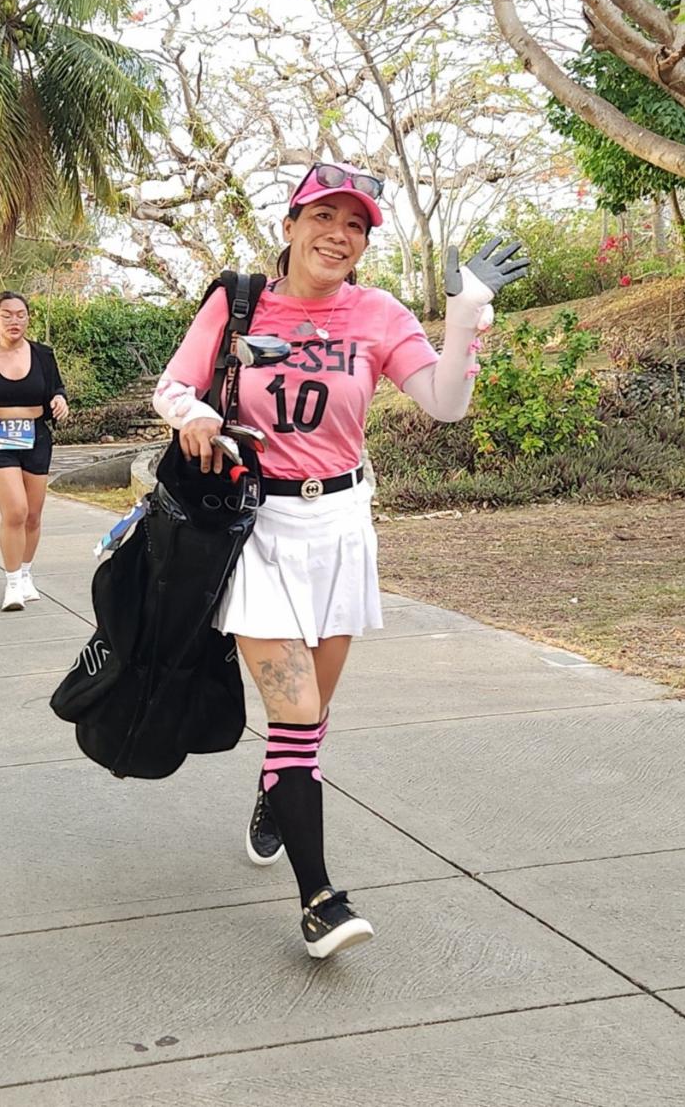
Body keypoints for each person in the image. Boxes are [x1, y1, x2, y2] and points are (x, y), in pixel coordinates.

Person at [152, 163, 528, 959]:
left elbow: (445, 403)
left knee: (310, 718)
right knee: (293, 718)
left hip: (343, 525)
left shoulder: (377, 312)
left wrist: (466, 313)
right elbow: (175, 386)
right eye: (324, 216)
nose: (338, 235)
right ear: (289, 225)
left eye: (355, 226)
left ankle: (276, 791)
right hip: (256, 528)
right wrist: (194, 417)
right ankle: (319, 899)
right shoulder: (237, 302)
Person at [0, 292, 70, 612]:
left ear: (27, 318)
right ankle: (13, 584)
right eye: (7, 315)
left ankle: (27, 573)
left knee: (33, 515)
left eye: (20, 314)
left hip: (36, 437)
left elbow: (56, 388)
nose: (14, 321)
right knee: (16, 511)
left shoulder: (43, 355)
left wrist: (60, 400)